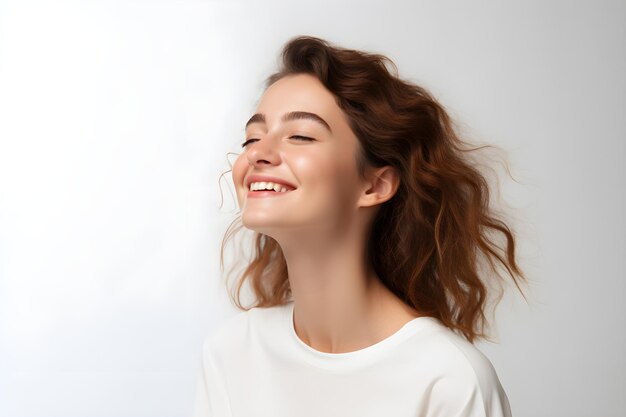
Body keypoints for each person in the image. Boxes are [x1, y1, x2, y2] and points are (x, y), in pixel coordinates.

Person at [193, 35, 526, 417]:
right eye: (252, 137)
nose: (258, 154)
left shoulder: (448, 380)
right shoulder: (231, 353)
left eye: (300, 136)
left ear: (375, 185)